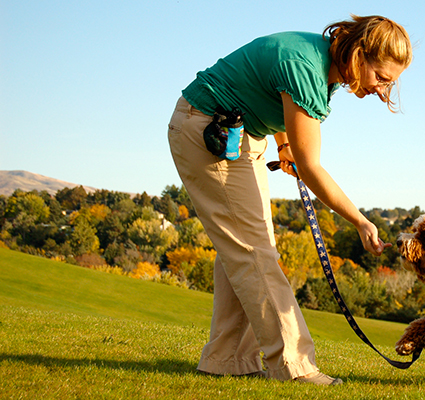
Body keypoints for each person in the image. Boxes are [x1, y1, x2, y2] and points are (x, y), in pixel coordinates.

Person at [166, 15, 412, 385]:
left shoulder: (322, 62)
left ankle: (227, 359)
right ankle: (295, 367)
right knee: (253, 251)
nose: (382, 90)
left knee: (247, 250)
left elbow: (270, 94)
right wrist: (360, 221)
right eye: (381, 77)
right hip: (207, 129)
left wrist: (283, 145)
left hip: (242, 133)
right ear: (359, 55)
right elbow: (312, 167)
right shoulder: (305, 66)